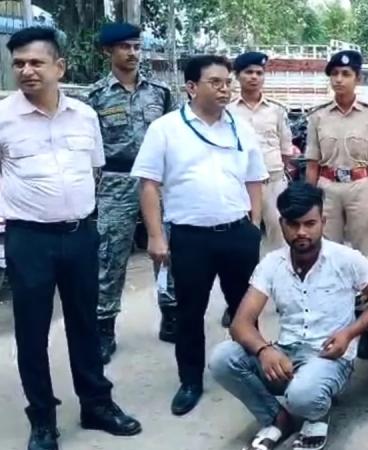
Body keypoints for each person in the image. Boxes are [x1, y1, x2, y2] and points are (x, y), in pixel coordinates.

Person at [0, 27, 142, 450]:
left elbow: (95, 169)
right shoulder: (3, 119)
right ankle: (43, 418)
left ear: (59, 67)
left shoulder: (84, 115)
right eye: (18, 63)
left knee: (85, 324)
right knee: (32, 332)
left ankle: (96, 404)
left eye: (36, 62)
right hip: (28, 239)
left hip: (81, 235)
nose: (26, 70)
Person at [209, 181, 368, 450]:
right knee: (223, 358)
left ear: (323, 222)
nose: (301, 232)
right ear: (281, 224)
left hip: (329, 356)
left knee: (302, 395)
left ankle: (316, 414)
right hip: (286, 354)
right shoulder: (272, 264)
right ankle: (277, 419)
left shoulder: (347, 260)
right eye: (293, 225)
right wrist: (264, 351)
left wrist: (350, 333)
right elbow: (240, 324)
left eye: (310, 223)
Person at [131, 54, 267, 416]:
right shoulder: (165, 129)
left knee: (245, 308)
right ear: (191, 87)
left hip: (237, 234)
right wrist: (156, 236)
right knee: (189, 312)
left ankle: (251, 367)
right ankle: (190, 380)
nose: (225, 89)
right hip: (190, 237)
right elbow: (148, 184)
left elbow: (255, 178)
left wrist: (253, 224)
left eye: (227, 82)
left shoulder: (240, 127)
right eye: (215, 82)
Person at [87, 22, 178, 363]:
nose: (132, 53)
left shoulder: (160, 92)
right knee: (110, 254)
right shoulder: (95, 96)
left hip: (158, 180)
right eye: (125, 46)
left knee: (166, 248)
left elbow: (175, 134)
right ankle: (104, 327)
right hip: (116, 180)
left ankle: (171, 315)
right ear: (108, 51)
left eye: (136, 46)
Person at [304, 50, 368, 359]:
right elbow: (312, 164)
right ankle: (331, 325)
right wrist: (309, 203)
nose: (339, 80)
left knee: (364, 257)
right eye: (334, 74)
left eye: (346, 74)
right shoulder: (317, 116)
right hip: (327, 187)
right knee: (326, 256)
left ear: (357, 79)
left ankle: (366, 329)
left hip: (360, 186)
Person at [228, 51, 293, 253]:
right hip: (240, 183)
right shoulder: (227, 111)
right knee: (244, 234)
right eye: (248, 72)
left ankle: (280, 271)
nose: (254, 77)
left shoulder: (276, 109)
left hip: (273, 181)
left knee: (280, 233)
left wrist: (278, 171)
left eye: (259, 73)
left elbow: (286, 148)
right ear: (237, 76)